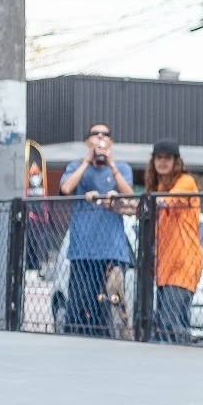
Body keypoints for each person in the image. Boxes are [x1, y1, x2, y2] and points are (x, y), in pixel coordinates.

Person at [58, 122, 135, 337]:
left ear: (111, 142)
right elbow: (65, 188)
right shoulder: (76, 167)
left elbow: (129, 195)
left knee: (111, 307)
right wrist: (87, 160)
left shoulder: (122, 168)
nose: (100, 138)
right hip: (83, 251)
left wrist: (111, 165)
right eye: (95, 134)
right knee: (80, 307)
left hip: (112, 252)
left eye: (105, 135)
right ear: (87, 141)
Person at [145, 139, 202, 345]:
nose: (162, 162)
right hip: (165, 265)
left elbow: (165, 201)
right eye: (158, 158)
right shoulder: (158, 186)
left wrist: (145, 201)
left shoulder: (186, 181)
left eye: (167, 158)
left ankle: (179, 369)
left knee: (171, 323)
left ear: (176, 161)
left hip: (183, 261)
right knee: (165, 324)